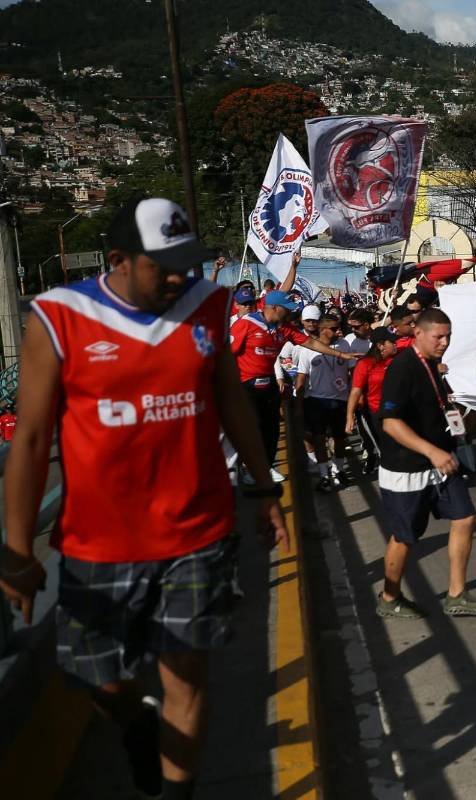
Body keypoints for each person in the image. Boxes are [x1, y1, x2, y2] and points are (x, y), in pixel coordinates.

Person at [1, 197, 288, 800]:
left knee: (186, 675)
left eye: (187, 263)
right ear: (119, 261)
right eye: (165, 267)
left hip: (197, 532)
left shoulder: (208, 305)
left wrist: (265, 487)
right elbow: (29, 438)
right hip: (97, 541)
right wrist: (17, 550)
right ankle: (136, 724)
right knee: (97, 679)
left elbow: (230, 400)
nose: (180, 277)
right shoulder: (59, 317)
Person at [376, 308, 476, 618]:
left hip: (440, 464)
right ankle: (389, 597)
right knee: (405, 537)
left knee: (465, 517)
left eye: (448, 336)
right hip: (407, 469)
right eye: (438, 337)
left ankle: (456, 594)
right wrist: (432, 452)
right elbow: (391, 423)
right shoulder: (402, 368)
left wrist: (460, 424)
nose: (445, 342)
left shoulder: (432, 365)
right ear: (418, 333)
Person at [230, 291, 357, 482]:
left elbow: (311, 343)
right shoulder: (245, 323)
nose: (290, 313)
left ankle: (266, 466)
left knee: (272, 429)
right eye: (286, 309)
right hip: (245, 385)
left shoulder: (285, 328)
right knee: (251, 429)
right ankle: (247, 468)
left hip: (269, 384)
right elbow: (227, 353)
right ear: (274, 308)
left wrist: (340, 355)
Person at [295, 314, 354, 491]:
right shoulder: (308, 349)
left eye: (339, 327)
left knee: (340, 438)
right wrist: (299, 406)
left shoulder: (344, 345)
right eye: (334, 329)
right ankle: (324, 476)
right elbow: (301, 378)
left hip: (340, 400)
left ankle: (338, 471)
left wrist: (355, 397)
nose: (339, 331)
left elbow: (353, 373)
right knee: (319, 439)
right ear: (322, 330)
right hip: (316, 401)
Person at [345, 327, 401, 470]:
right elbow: (355, 391)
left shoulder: (398, 360)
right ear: (380, 345)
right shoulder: (365, 364)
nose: (396, 344)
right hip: (375, 414)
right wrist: (350, 417)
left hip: (398, 413)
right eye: (392, 342)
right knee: (386, 451)